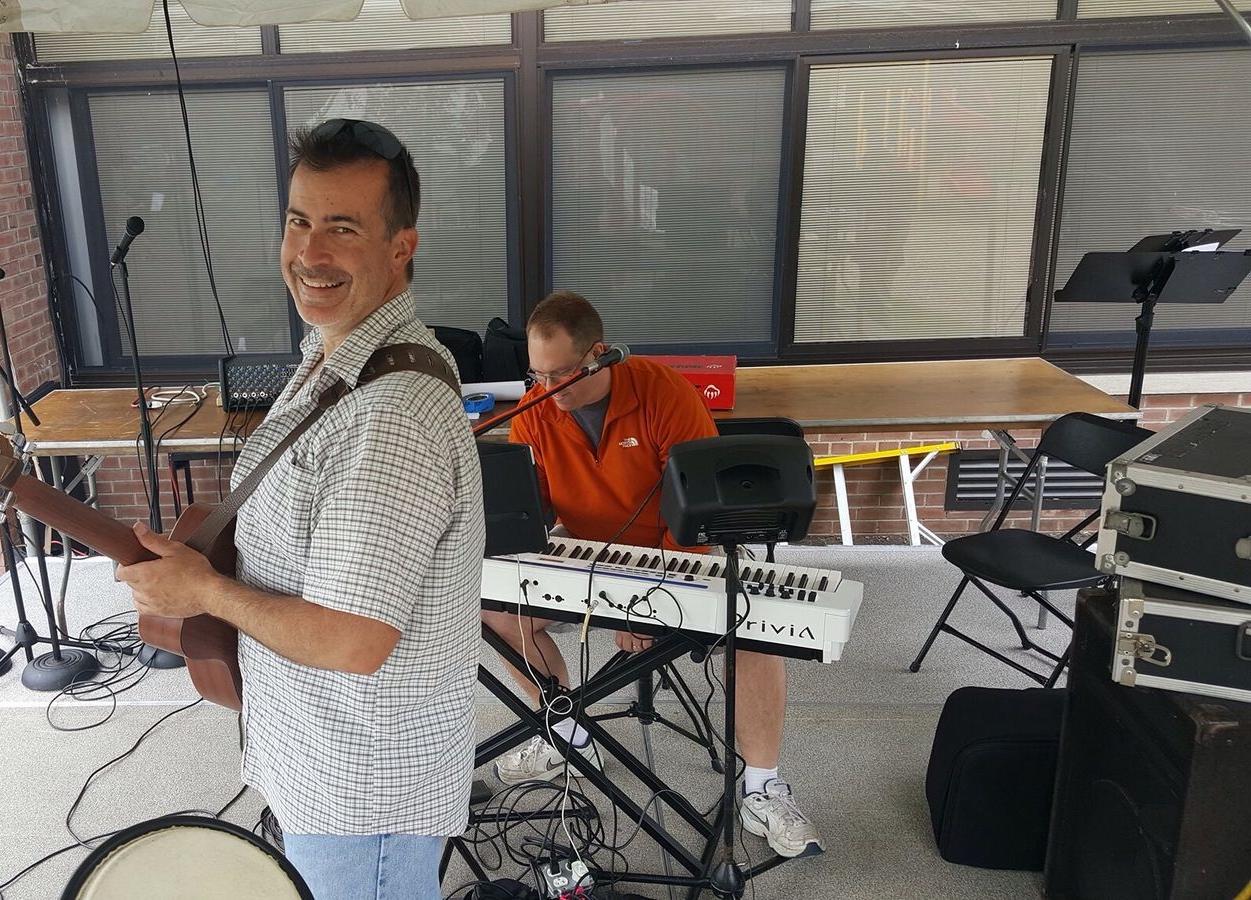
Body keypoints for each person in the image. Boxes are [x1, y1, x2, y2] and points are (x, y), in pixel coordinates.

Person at [115, 119, 483, 900]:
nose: (309, 253)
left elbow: (353, 640)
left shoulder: (389, 414)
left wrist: (204, 591)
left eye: (342, 228)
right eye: (298, 221)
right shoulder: (335, 356)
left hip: (362, 795)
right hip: (322, 764)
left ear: (401, 247)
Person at [485, 291, 823, 859]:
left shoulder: (664, 393)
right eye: (537, 375)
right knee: (497, 614)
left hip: (679, 551)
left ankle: (762, 788)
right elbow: (532, 508)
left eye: (562, 374)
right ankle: (568, 735)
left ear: (599, 354)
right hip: (590, 549)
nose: (548, 389)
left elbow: (696, 509)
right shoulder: (536, 408)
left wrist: (646, 604)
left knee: (758, 631)